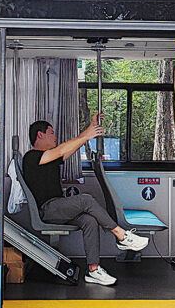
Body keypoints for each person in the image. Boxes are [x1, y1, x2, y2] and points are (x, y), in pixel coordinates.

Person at [21, 114, 148, 286]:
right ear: (40, 135)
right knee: (86, 200)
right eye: (51, 133)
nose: (55, 137)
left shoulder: (48, 159)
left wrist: (88, 130)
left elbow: (69, 148)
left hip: (59, 208)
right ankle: (121, 235)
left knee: (89, 221)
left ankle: (94, 270)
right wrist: (87, 135)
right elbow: (60, 150)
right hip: (48, 209)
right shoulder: (31, 157)